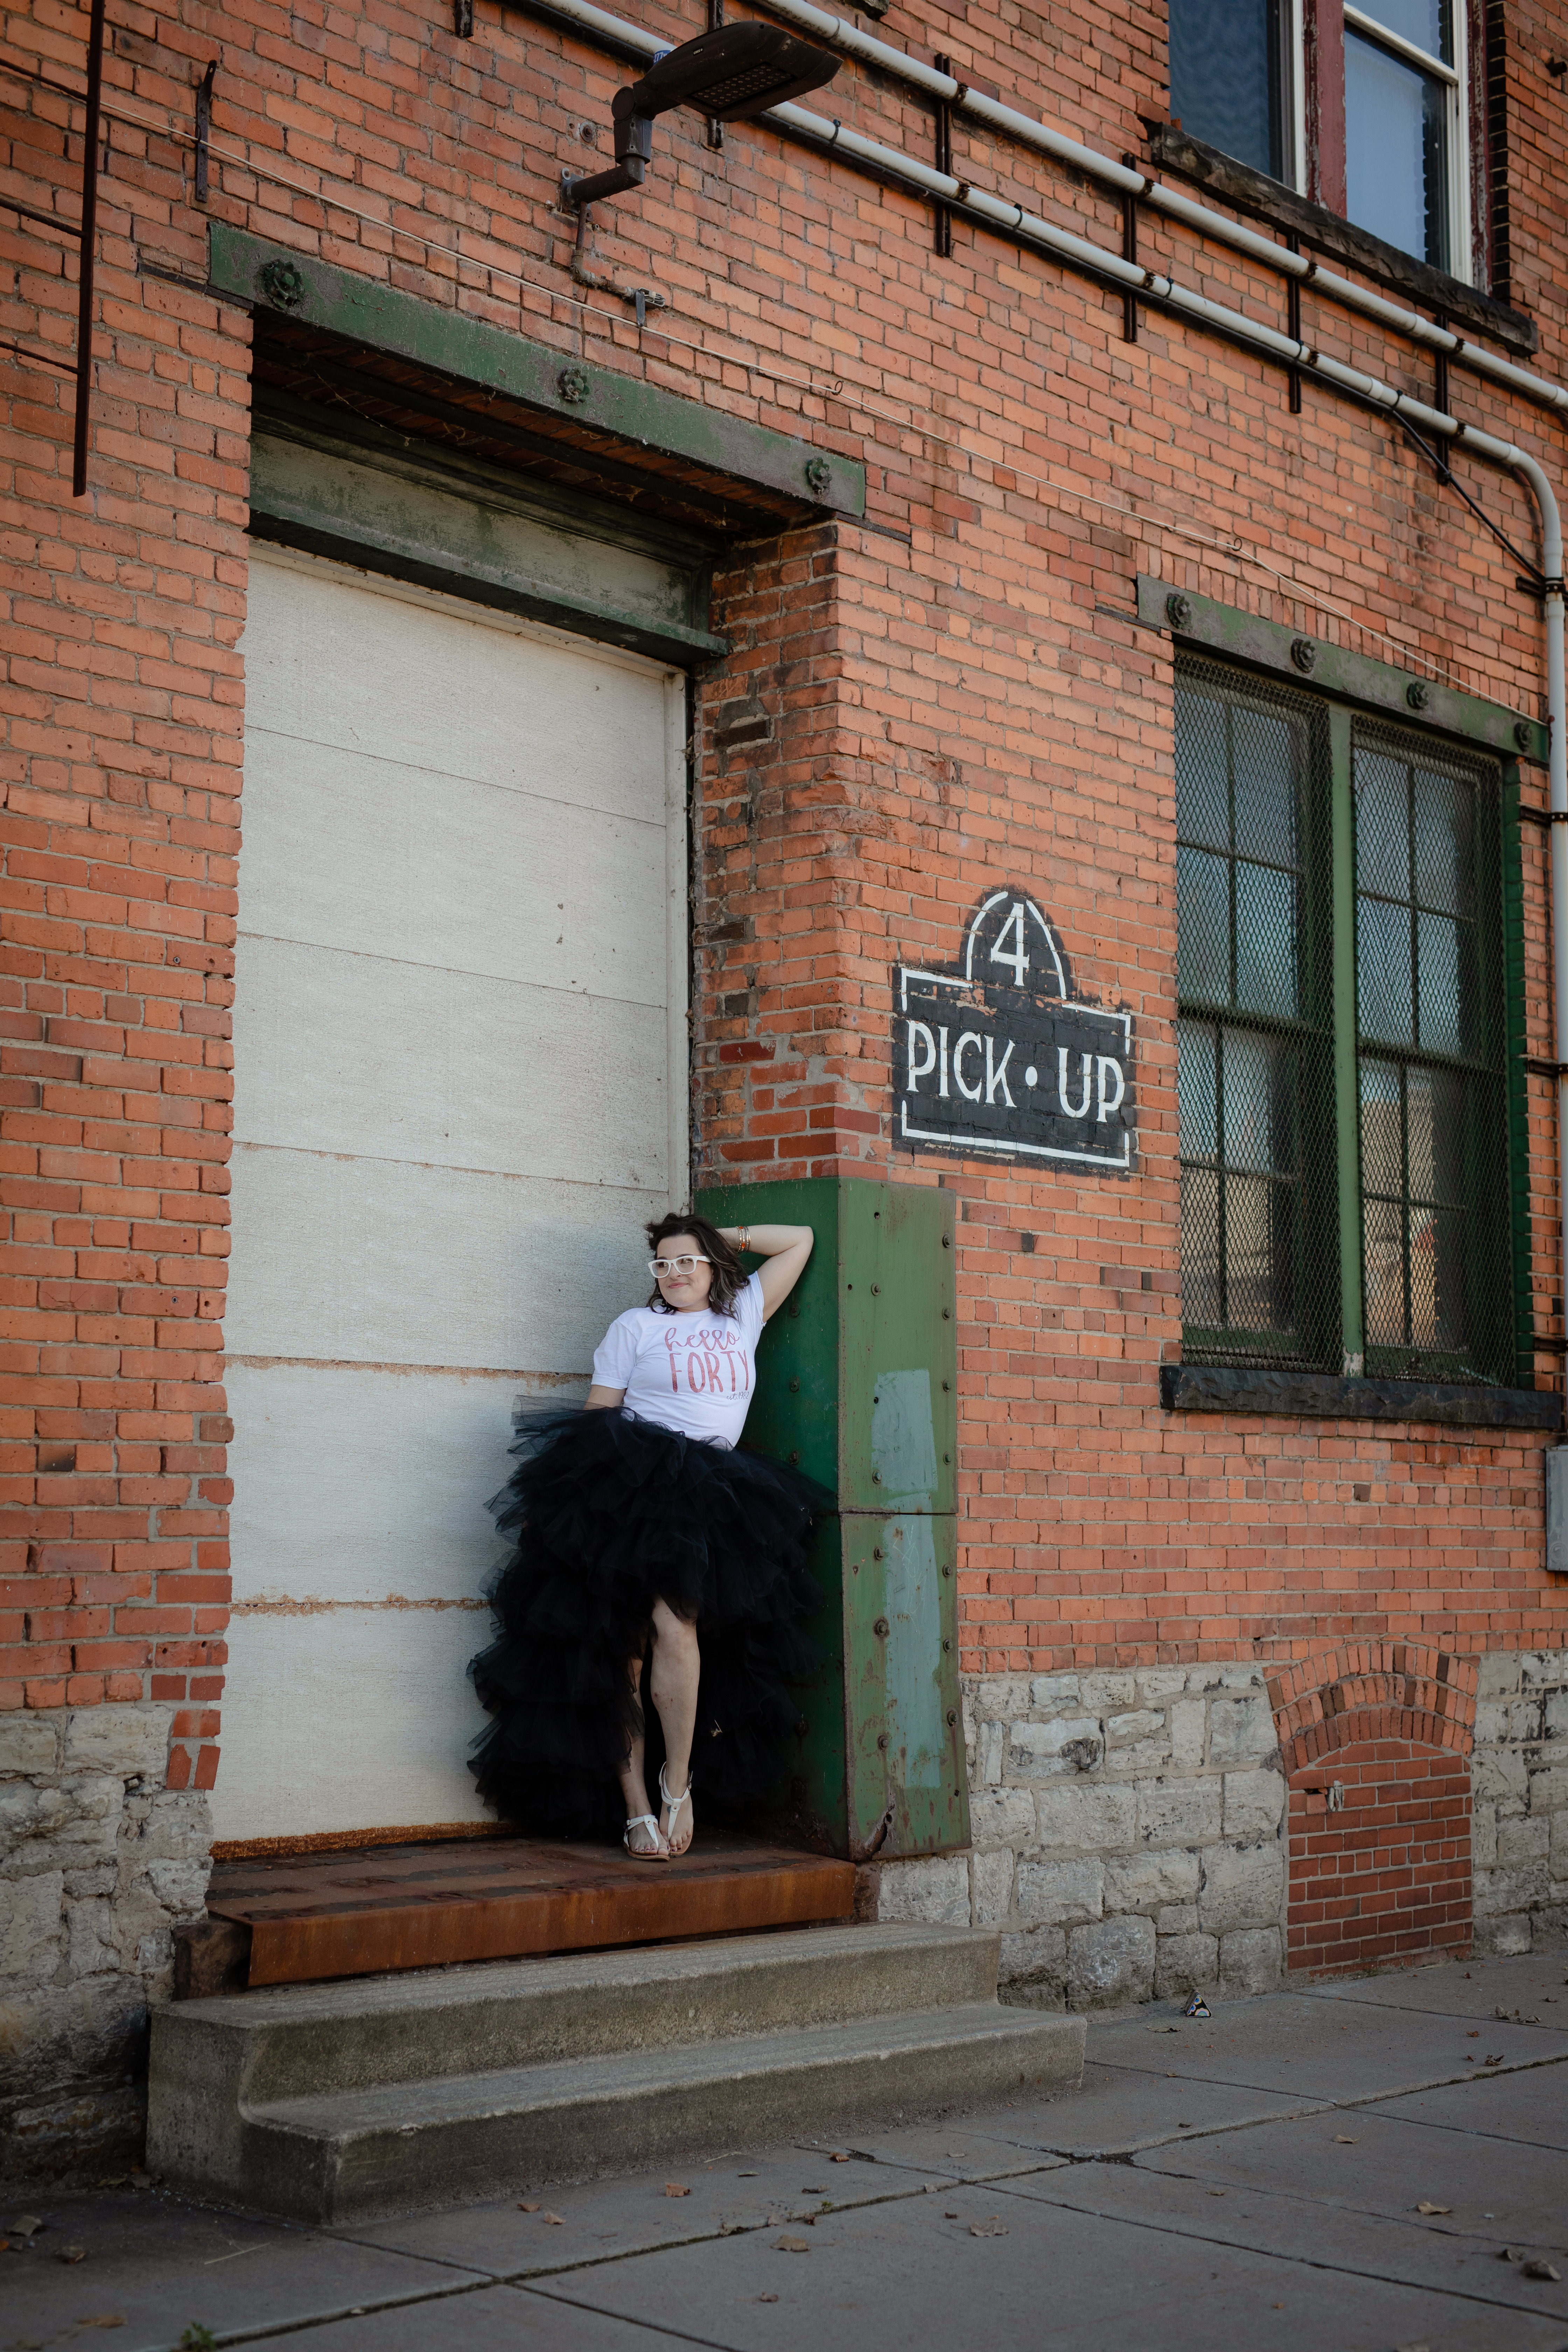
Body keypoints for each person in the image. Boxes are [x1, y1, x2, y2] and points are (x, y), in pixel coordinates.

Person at [468, 1213, 818, 1857]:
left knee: (677, 1630)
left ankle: (676, 1784)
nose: (675, 1273)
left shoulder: (741, 1313)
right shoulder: (636, 1327)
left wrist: (725, 1236)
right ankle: (634, 1805)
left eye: (687, 1261)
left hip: (715, 1494)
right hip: (636, 1493)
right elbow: (598, 1416)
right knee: (622, 1644)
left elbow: (800, 1240)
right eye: (663, 1264)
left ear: (712, 1265)